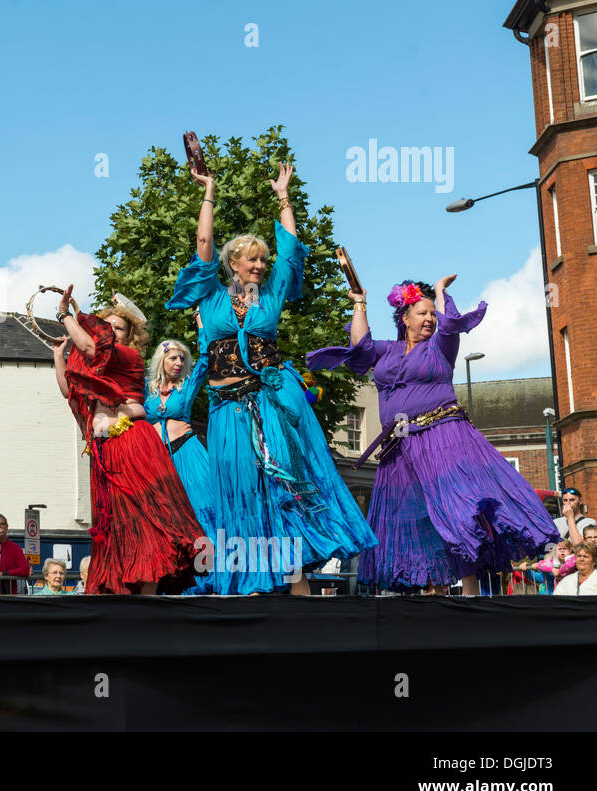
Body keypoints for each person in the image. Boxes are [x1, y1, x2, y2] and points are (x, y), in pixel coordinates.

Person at [167, 162, 376, 595]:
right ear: (232, 264)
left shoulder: (273, 293)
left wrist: (284, 197)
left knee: (283, 486)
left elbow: (293, 248)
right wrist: (208, 190)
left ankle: (298, 591)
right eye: (252, 260)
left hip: (269, 403)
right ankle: (250, 588)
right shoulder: (209, 294)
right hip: (226, 412)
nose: (261, 265)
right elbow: (203, 241)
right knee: (240, 494)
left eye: (263, 260)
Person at [308, 276, 559, 595]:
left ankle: (469, 590)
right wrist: (359, 301)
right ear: (404, 317)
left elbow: (451, 324)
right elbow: (361, 347)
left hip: (442, 437)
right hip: (399, 447)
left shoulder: (441, 346)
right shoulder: (388, 350)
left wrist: (440, 293)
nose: (429, 319)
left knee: (456, 508)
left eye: (432, 313)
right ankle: (433, 590)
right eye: (422, 313)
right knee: (414, 518)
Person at [51, 289, 205, 595]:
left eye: (117, 328)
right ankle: (126, 597)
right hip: (104, 452)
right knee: (117, 526)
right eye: (105, 327)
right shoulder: (94, 367)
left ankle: (148, 596)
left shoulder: (129, 357)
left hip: (132, 443)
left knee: (143, 519)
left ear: (129, 335)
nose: (110, 332)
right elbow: (71, 391)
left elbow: (90, 346)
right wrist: (59, 359)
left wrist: (65, 315)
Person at [143, 339, 217, 593]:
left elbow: (205, 360)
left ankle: (208, 580)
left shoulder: (186, 387)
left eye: (182, 359)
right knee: (164, 519)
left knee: (201, 512)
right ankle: (170, 579)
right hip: (157, 459)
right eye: (173, 358)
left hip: (187, 452)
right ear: (161, 360)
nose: (179, 363)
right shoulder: (147, 389)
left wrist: (202, 326)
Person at [0, 514, 30, 594]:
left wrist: (1, 574)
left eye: (2, 524)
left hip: (7, 592)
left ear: (7, 527)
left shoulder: (15, 548)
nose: (0, 527)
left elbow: (25, 570)